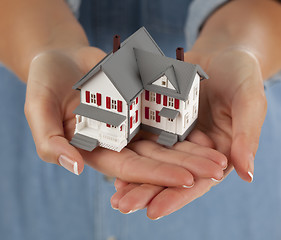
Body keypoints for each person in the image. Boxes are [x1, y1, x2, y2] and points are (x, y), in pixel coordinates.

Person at [0, 0, 281, 240]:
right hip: (32, 182)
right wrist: (43, 43)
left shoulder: (163, 90)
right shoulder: (109, 89)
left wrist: (243, 44)